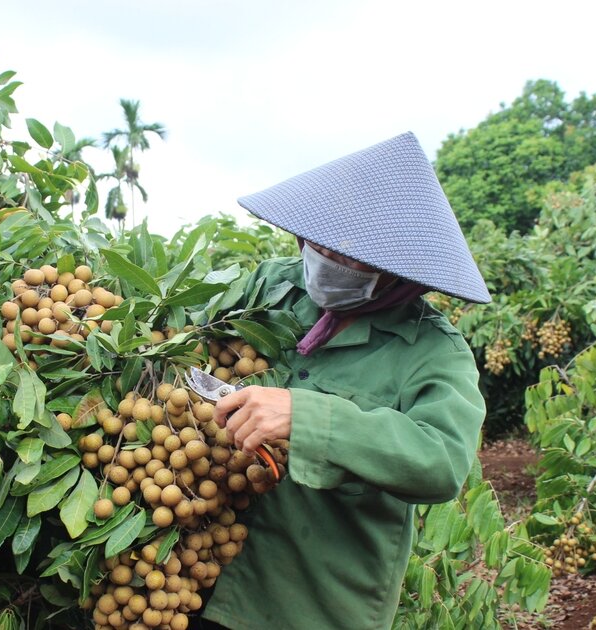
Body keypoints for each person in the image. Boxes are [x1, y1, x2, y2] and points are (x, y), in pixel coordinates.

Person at [196, 132, 490, 630]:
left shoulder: (434, 353)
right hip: (209, 576)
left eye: (354, 256)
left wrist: (305, 416)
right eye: (323, 243)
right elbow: (195, 342)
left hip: (310, 604)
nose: (331, 260)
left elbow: (441, 462)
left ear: (398, 269)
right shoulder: (272, 286)